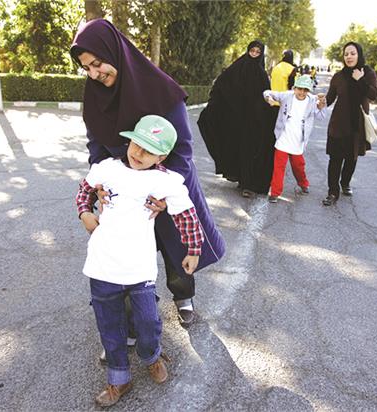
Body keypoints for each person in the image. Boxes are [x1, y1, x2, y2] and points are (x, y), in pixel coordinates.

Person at [70, 19, 225, 329]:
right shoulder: (95, 98)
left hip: (164, 186)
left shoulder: (159, 90)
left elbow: (182, 152)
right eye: (86, 68)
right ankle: (134, 317)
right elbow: (96, 149)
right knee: (125, 255)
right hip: (122, 192)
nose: (94, 74)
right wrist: (100, 185)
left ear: (113, 52)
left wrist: (162, 194)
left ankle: (183, 295)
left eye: (97, 63)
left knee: (174, 246)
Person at [76, 114, 203, 406]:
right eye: (136, 144)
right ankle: (118, 377)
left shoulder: (165, 181)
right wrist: (85, 213)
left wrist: (193, 250)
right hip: (103, 264)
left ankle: (151, 356)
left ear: (162, 157)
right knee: (109, 325)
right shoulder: (107, 168)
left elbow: (186, 215)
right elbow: (84, 190)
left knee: (148, 320)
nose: (138, 153)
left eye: (149, 151)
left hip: (139, 269)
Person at [197, 40, 277, 198]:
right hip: (237, 120)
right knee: (237, 147)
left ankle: (248, 184)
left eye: (257, 52)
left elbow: (265, 95)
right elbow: (221, 84)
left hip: (254, 121)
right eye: (252, 51)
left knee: (250, 149)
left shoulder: (261, 74)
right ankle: (241, 178)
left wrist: (270, 108)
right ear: (248, 51)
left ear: (261, 54)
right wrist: (216, 103)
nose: (254, 54)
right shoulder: (237, 67)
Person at [322, 41, 377, 206]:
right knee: (335, 159)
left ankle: (345, 182)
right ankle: (332, 192)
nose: (349, 57)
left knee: (351, 159)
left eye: (353, 53)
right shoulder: (338, 76)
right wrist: (320, 101)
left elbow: (373, 94)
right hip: (338, 124)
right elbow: (330, 99)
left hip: (357, 125)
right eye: (346, 54)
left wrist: (360, 80)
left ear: (359, 55)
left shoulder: (368, 73)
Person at [263, 75, 327, 203]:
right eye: (299, 89)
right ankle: (275, 193)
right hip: (283, 138)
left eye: (305, 90)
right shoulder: (286, 96)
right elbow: (267, 92)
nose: (302, 92)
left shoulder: (312, 100)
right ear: (294, 88)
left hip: (298, 140)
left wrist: (321, 106)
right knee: (279, 167)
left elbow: (321, 117)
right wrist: (269, 98)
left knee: (298, 167)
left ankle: (303, 184)